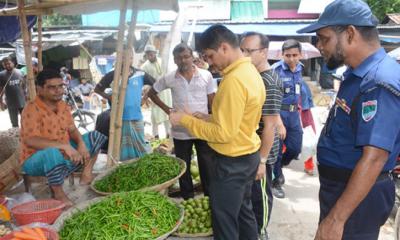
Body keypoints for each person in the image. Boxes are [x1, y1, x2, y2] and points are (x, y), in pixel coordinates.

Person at [297, 0, 400, 239]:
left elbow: (374, 158)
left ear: (350, 33)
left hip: (357, 197)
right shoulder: (357, 74)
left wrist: (336, 218)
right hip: (344, 190)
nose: (319, 46)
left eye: (324, 38)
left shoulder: (378, 82)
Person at [170, 24, 266, 240]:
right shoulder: (249, 71)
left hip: (232, 162)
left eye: (210, 56)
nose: (209, 63)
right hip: (247, 155)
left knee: (224, 221)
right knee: (243, 213)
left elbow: (224, 134)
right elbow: (238, 118)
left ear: (224, 48)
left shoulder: (233, 80)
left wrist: (184, 120)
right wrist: (208, 118)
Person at [20, 69, 107, 207]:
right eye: (52, 87)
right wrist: (64, 146)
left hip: (65, 154)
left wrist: (80, 144)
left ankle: (86, 173)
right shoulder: (31, 109)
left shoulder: (63, 106)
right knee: (51, 153)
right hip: (35, 160)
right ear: (40, 89)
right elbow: (30, 140)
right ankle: (58, 194)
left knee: (96, 136)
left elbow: (72, 129)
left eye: (60, 86)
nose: (58, 90)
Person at [148, 43, 217, 199]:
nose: (183, 60)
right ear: (175, 60)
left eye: (186, 57)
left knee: (207, 166)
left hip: (202, 129)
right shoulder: (169, 78)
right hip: (181, 132)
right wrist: (168, 110)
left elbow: (212, 100)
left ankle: (209, 198)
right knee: (183, 167)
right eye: (179, 58)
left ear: (192, 57)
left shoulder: (206, 75)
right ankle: (188, 200)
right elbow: (152, 93)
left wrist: (213, 118)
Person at [240, 32, 284, 238]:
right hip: (251, 146)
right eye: (242, 50)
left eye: (249, 51)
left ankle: (261, 231)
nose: (244, 55)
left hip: (262, 151)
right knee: (251, 193)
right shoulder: (254, 76)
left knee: (261, 195)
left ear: (264, 52)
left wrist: (262, 161)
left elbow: (270, 126)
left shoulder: (270, 81)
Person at [94, 61, 155, 161]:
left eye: (129, 56)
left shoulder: (140, 74)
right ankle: (123, 166)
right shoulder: (112, 74)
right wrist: (110, 97)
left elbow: (156, 84)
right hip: (118, 118)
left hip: (137, 116)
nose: (126, 58)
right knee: (121, 148)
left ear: (131, 58)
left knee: (140, 145)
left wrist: (145, 97)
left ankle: (140, 165)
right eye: (122, 57)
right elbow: (97, 89)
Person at [271, 39, 304, 199]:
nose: (291, 59)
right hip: (278, 115)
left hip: (294, 116)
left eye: (295, 55)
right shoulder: (275, 71)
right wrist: (278, 123)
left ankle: (279, 167)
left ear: (300, 55)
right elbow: (270, 99)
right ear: (282, 55)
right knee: (276, 151)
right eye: (288, 55)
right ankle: (276, 181)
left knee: (295, 148)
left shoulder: (299, 69)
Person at [141, 45, 172, 139]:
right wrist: (147, 91)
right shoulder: (144, 67)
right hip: (154, 93)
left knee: (168, 113)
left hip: (166, 93)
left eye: (152, 53)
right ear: (146, 55)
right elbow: (144, 82)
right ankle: (156, 136)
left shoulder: (163, 62)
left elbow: (169, 74)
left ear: (155, 53)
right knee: (154, 116)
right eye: (148, 54)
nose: (150, 56)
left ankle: (168, 136)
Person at [0, 57, 26, 128]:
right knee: (14, 123)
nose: (7, 66)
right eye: (5, 65)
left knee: (25, 121)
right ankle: (16, 136)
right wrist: (1, 102)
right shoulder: (1, 75)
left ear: (13, 63)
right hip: (10, 102)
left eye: (9, 63)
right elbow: (1, 89)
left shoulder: (20, 72)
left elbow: (24, 86)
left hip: (22, 101)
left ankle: (25, 135)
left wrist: (27, 97)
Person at [300, 81, 316, 175]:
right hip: (297, 112)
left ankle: (309, 166)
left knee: (308, 139)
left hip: (303, 112)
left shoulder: (303, 85)